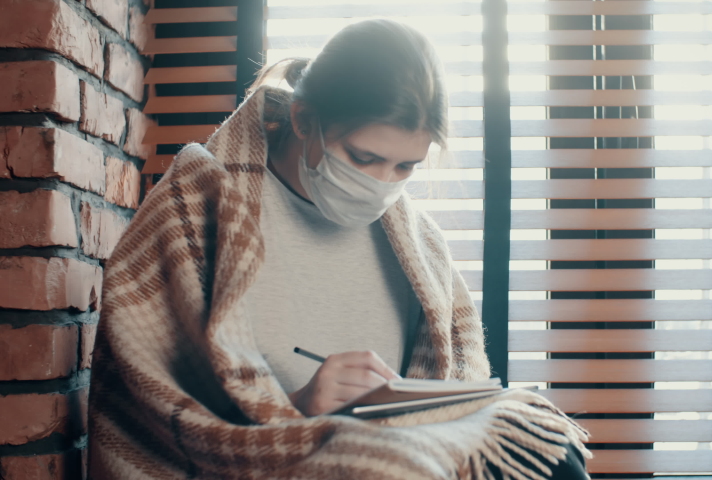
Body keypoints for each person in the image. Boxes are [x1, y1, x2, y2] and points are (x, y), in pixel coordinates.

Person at [88, 19, 590, 479]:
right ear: (305, 121)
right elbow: (150, 397)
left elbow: (453, 388)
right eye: (364, 157)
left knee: (546, 443)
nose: (382, 185)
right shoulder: (197, 206)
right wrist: (298, 408)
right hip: (264, 465)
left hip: (401, 460)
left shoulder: (419, 245)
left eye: (405, 167)